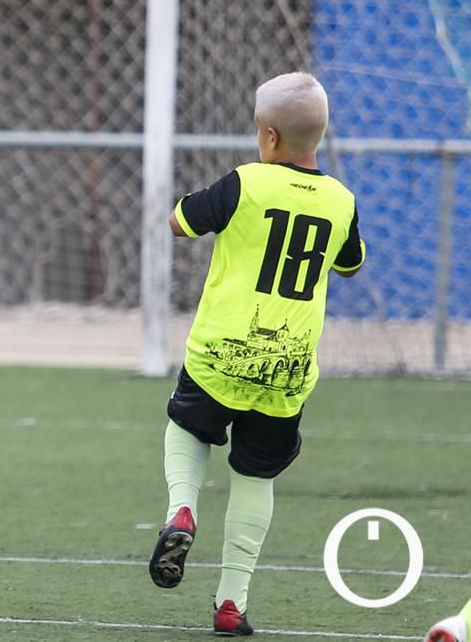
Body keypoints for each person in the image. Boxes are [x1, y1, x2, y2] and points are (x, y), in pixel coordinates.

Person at [146, 71, 365, 636]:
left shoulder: (245, 182)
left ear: (268, 136)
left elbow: (179, 222)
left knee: (187, 427)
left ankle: (182, 509)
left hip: (222, 353)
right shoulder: (342, 201)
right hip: (287, 367)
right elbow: (351, 262)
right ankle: (231, 603)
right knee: (256, 474)